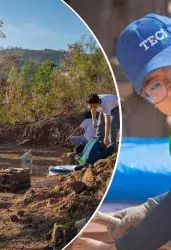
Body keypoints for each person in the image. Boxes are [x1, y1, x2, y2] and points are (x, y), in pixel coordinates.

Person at [76, 13, 171, 250]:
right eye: (155, 85)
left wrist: (122, 247)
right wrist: (148, 209)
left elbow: (107, 124)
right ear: (147, 97)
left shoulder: (108, 103)